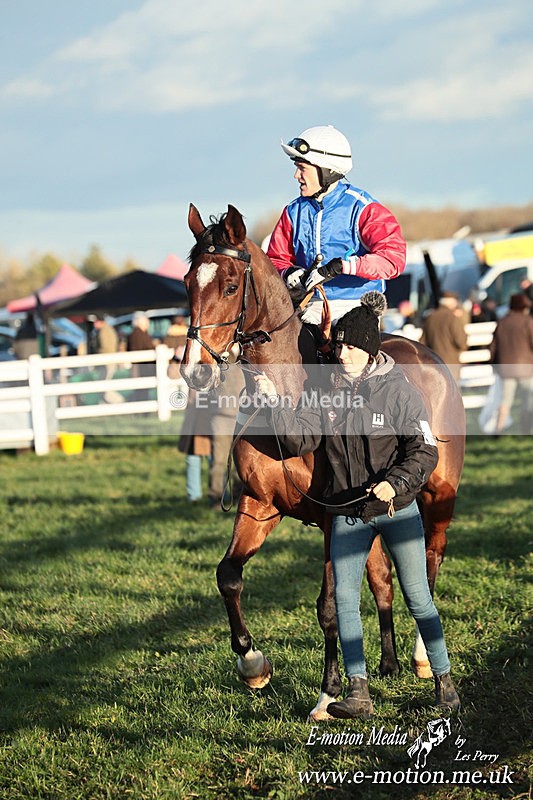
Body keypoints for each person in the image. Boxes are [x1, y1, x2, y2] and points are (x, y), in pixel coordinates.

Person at [254, 291, 460, 717]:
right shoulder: (328, 395)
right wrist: (274, 402)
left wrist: (396, 483)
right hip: (347, 513)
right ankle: (358, 692)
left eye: (350, 346)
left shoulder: (399, 392)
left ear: (368, 349)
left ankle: (444, 681)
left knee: (418, 599)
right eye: (340, 345)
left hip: (395, 510)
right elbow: (300, 441)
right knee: (345, 601)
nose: (342, 353)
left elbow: (424, 451)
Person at [266, 125, 406, 325]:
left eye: (302, 168)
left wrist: (342, 266)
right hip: (310, 306)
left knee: (347, 350)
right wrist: (287, 272)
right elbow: (275, 259)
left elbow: (393, 259)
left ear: (327, 170)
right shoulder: (292, 212)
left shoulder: (364, 208)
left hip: (357, 307)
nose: (296, 176)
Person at [489, 293, 533, 435]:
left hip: (506, 369)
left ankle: (498, 429)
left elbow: (493, 347)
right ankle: (526, 430)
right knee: (528, 400)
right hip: (526, 369)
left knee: (505, 401)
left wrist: (495, 366)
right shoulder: (528, 321)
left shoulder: (502, 322)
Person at [419, 292, 468, 384]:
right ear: (451, 303)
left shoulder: (430, 318)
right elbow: (461, 341)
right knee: (452, 393)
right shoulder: (452, 318)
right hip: (451, 363)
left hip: (433, 362)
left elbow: (422, 342)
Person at [127, 312, 155, 401]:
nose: (148, 323)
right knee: (142, 389)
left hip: (142, 366)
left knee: (143, 389)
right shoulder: (137, 334)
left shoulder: (140, 333)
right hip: (142, 367)